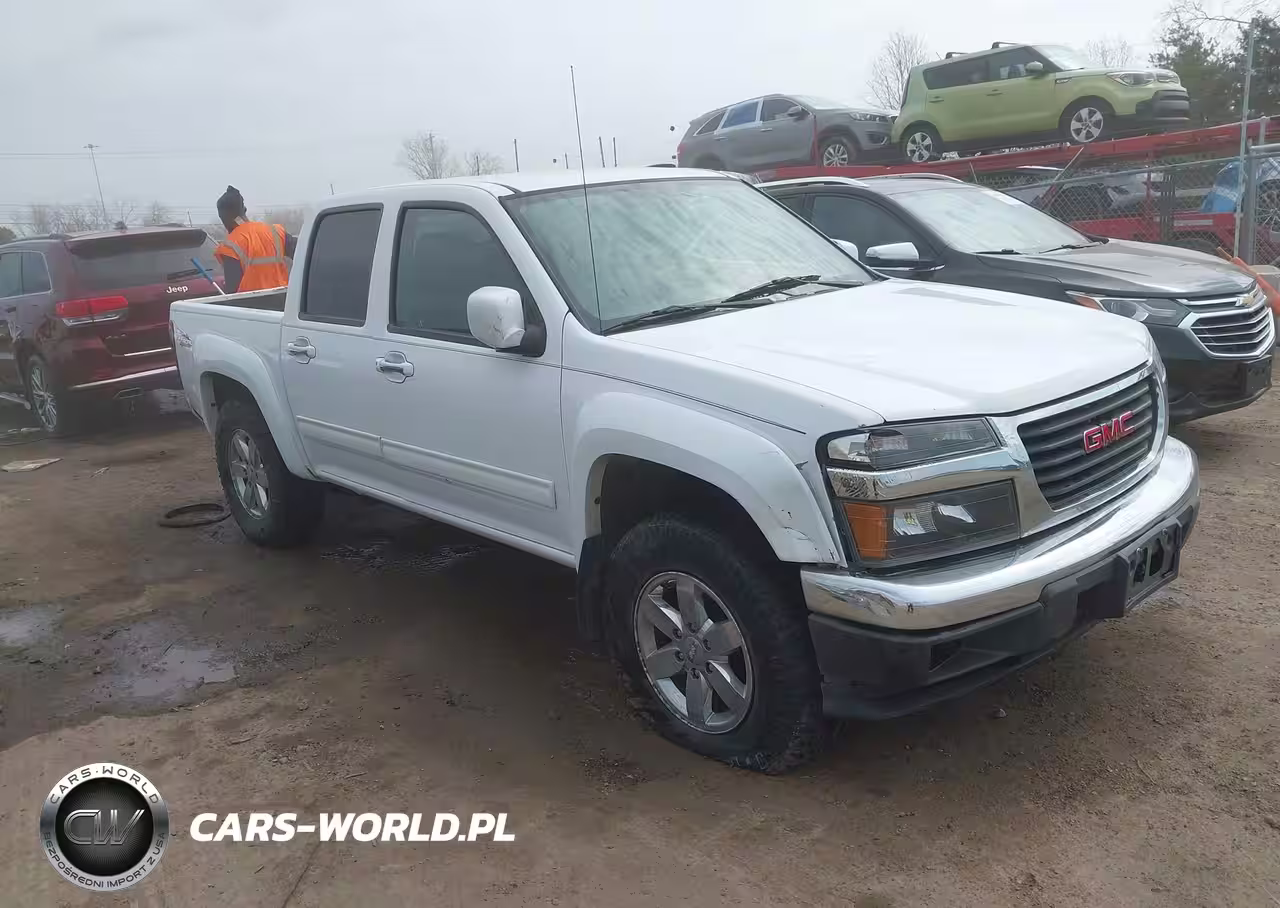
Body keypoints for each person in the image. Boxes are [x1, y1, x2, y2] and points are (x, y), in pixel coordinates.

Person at [212, 186, 297, 293]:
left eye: (222, 218)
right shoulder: (275, 231)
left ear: (226, 216)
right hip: (284, 301)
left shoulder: (230, 245)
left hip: (250, 305)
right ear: (244, 210)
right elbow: (305, 255)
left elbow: (232, 290)